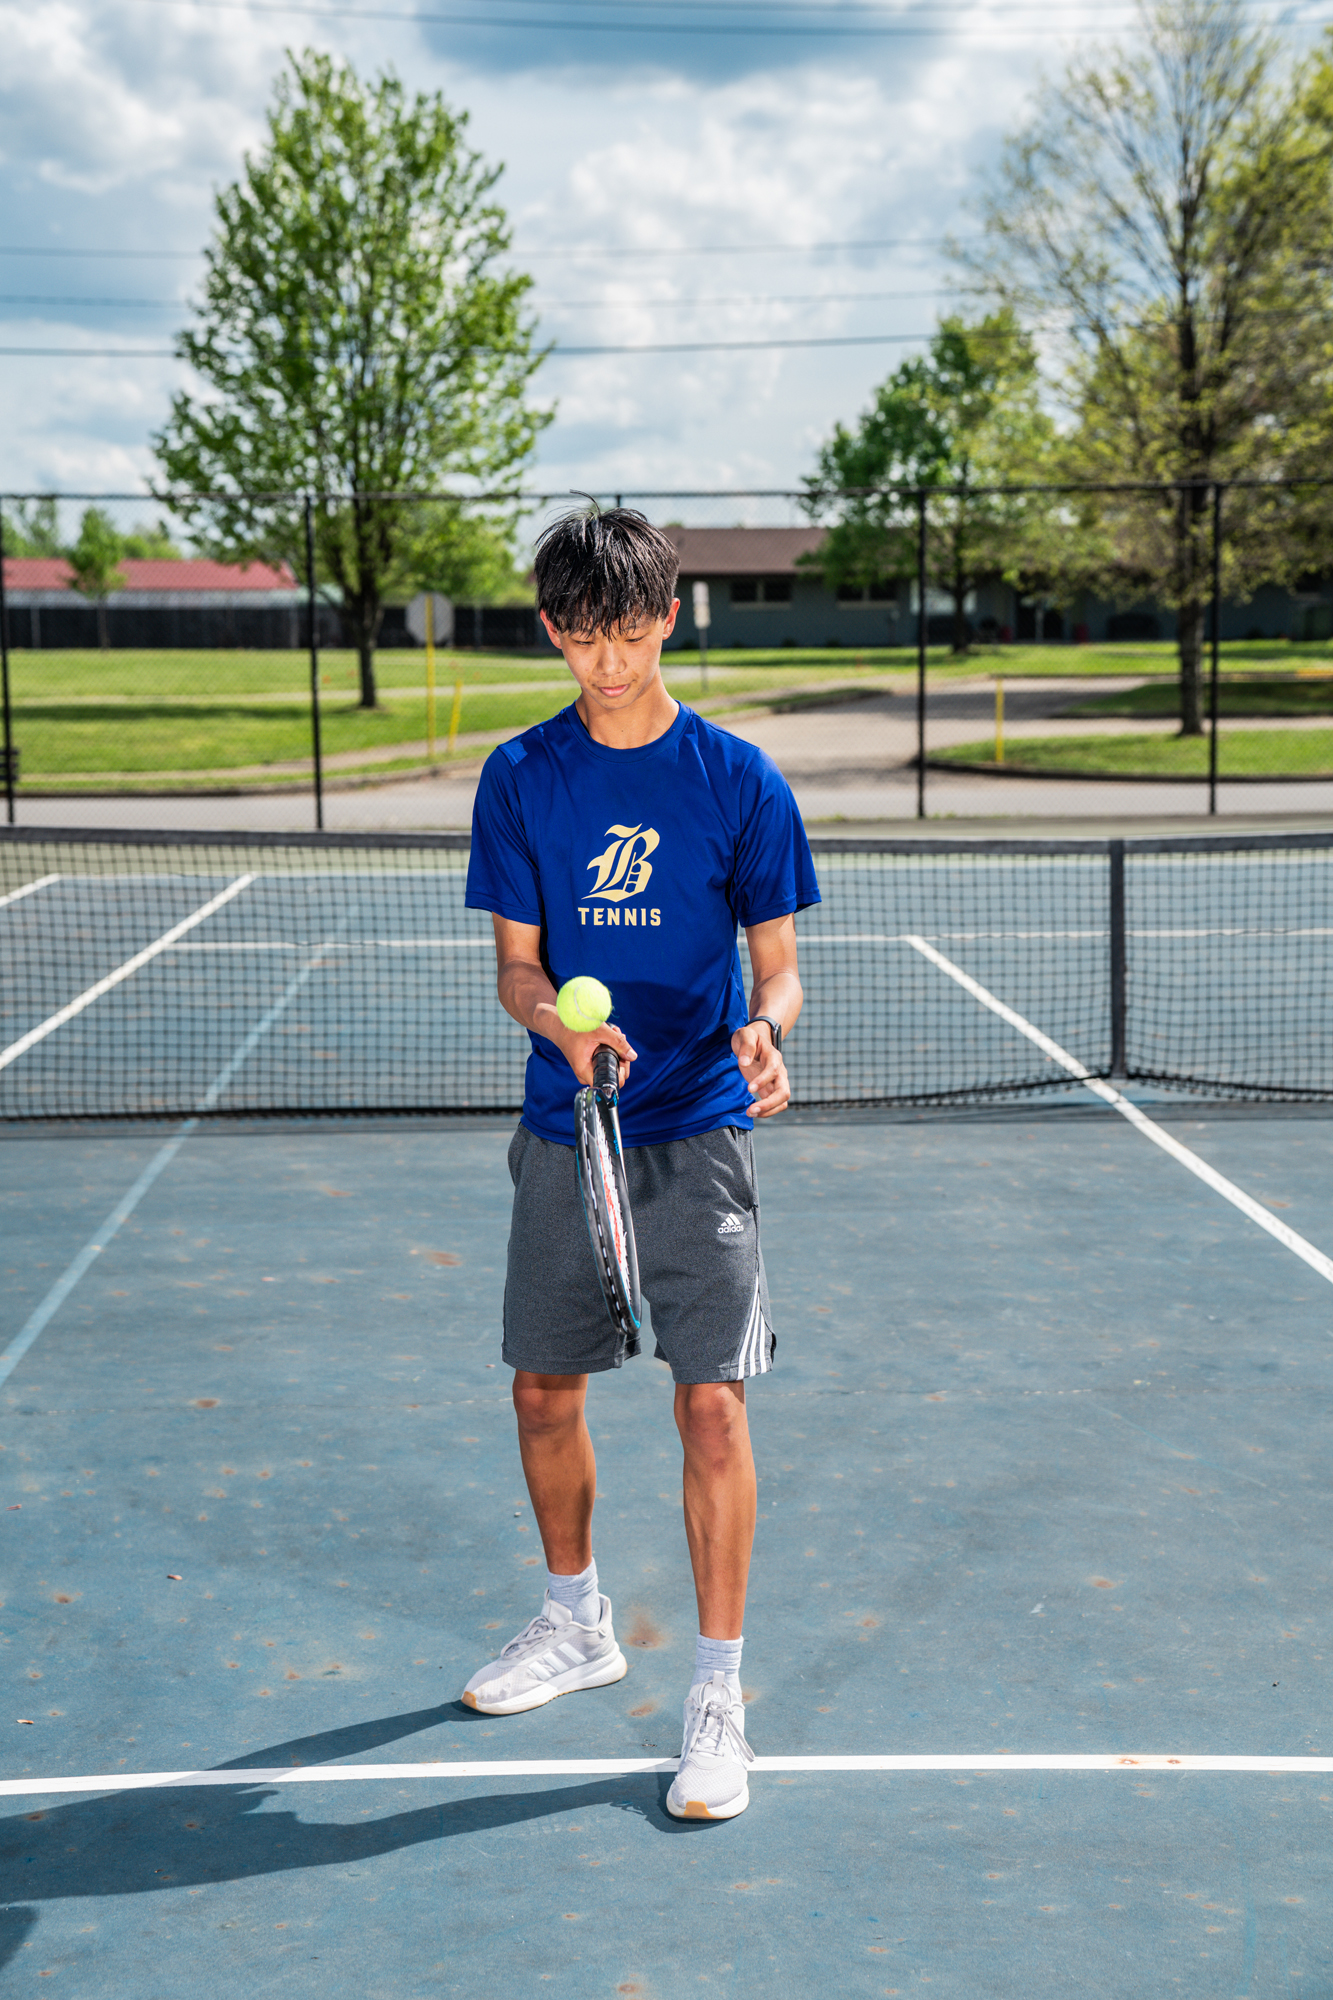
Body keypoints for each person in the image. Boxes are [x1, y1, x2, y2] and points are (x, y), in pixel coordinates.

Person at [461, 507, 819, 1821]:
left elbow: (779, 970)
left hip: (700, 1127)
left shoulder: (739, 780)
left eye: (627, 633)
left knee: (711, 1405)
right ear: (551, 630)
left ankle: (717, 1696)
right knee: (540, 1391)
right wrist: (557, 1026)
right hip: (569, 1129)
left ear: (667, 618)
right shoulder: (521, 777)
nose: (606, 663)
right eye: (580, 637)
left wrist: (766, 1033)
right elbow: (517, 965)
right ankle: (576, 1622)